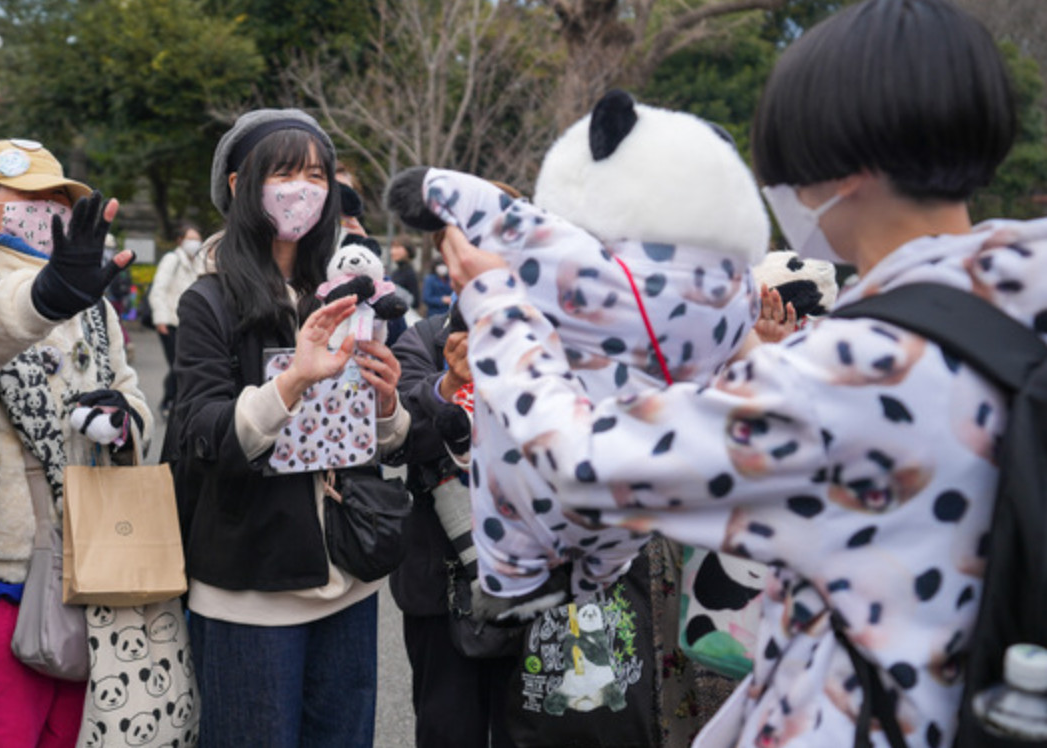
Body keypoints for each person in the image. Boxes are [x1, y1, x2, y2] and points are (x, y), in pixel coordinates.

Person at [439, 1, 1027, 745]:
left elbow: (583, 463)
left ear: (844, 164)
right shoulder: (1014, 302)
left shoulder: (856, 372)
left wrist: (495, 308)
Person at [164, 109, 409, 747]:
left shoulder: (351, 294)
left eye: (315, 173)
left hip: (348, 580)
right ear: (243, 185)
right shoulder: (209, 301)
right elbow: (200, 432)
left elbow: (382, 438)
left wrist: (385, 404)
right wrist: (291, 381)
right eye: (284, 172)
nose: (302, 188)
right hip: (251, 588)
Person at [0, 138, 156, 748]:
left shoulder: (95, 305)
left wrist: (123, 417)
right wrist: (52, 292)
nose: (51, 210)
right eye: (30, 199)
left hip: (90, 566)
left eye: (59, 200)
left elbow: (132, 392)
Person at [388, 308, 522, 748]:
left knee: (525, 731)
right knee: (447, 730)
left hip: (535, 580)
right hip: (439, 585)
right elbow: (395, 442)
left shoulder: (549, 341)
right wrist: (447, 389)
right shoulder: (424, 339)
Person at [149, 222, 206, 418]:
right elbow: (158, 290)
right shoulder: (172, 260)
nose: (194, 243)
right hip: (170, 322)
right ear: (180, 240)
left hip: (189, 324)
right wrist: (160, 319)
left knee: (182, 365)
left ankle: (174, 402)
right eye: (190, 239)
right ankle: (168, 403)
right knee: (177, 365)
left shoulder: (198, 262)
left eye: (197, 239)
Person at [390, 239, 420, 309]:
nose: (393, 251)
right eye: (393, 248)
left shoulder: (409, 273)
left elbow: (415, 302)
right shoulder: (396, 272)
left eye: (397, 247)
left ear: (408, 251)